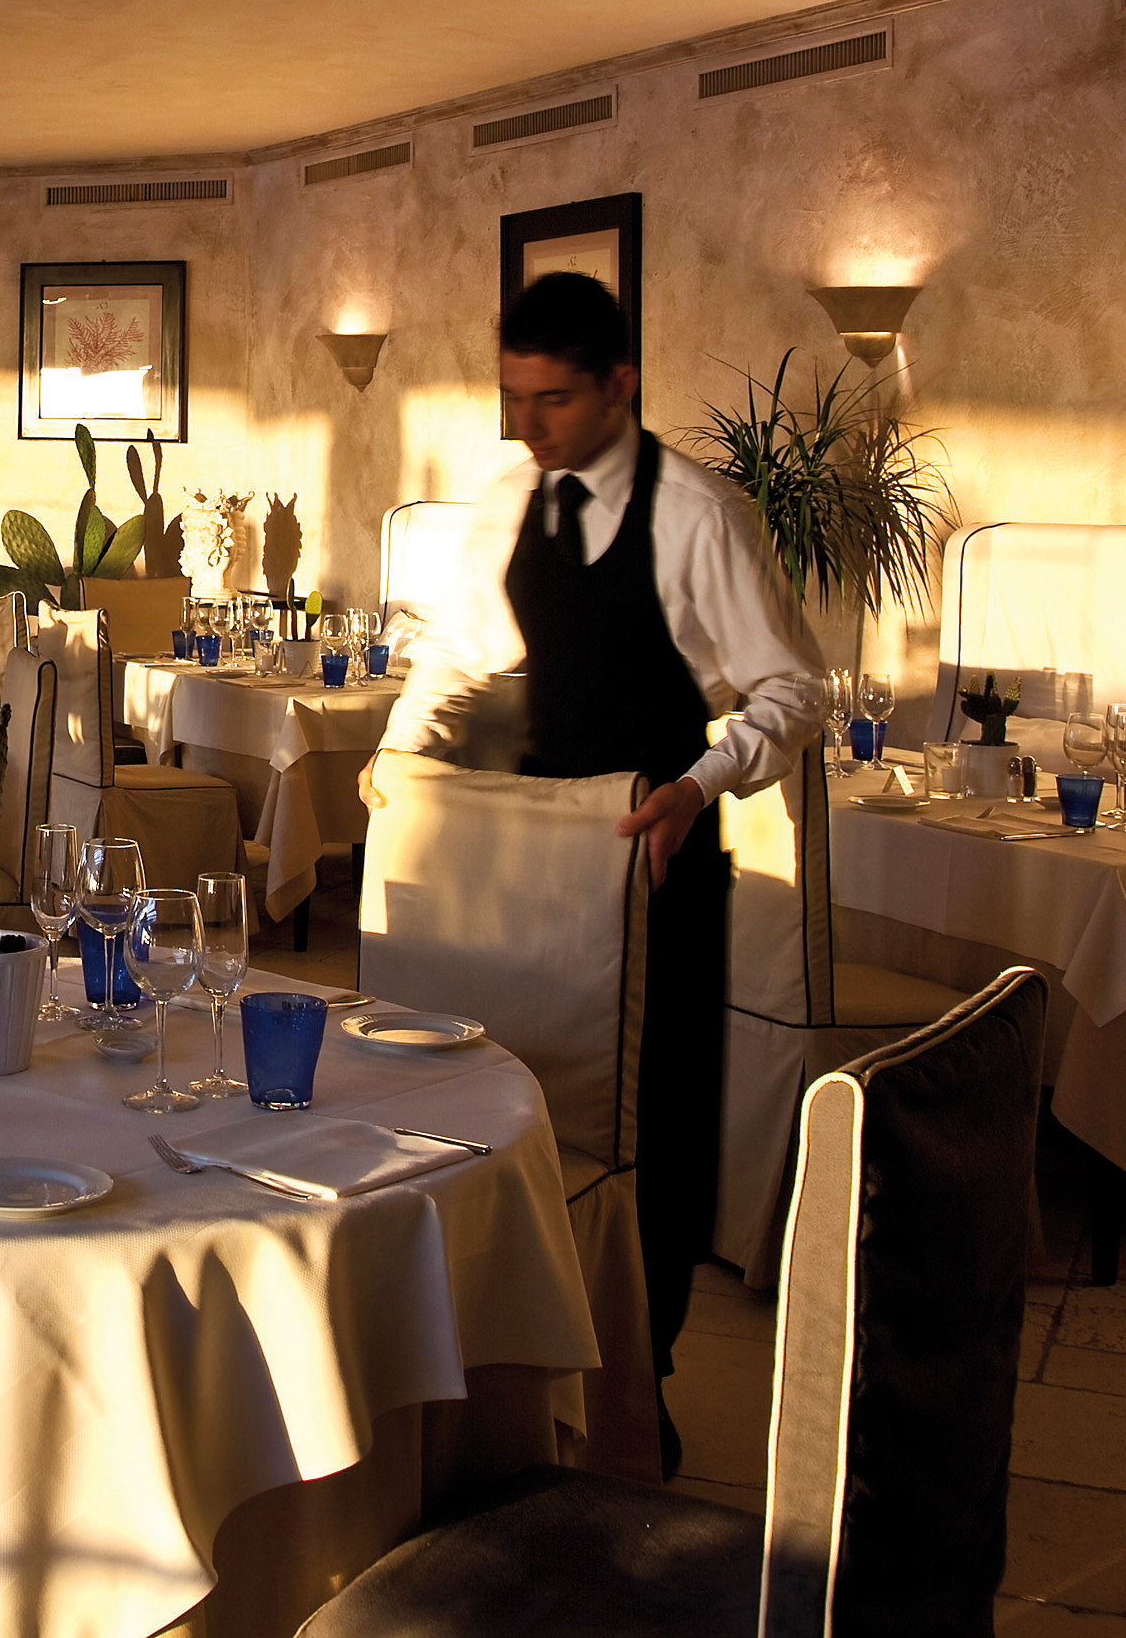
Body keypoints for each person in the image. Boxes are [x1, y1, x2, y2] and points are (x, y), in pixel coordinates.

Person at [376, 270, 826, 1471]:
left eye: (554, 401)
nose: (526, 426)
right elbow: (461, 648)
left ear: (621, 385)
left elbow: (794, 688)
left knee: (655, 1136)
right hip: (532, 865)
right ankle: (514, 1359)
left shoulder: (699, 513)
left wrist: (704, 779)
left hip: (661, 856)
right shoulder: (513, 491)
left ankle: (647, 1380)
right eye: (513, 397)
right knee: (527, 1105)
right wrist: (394, 752)